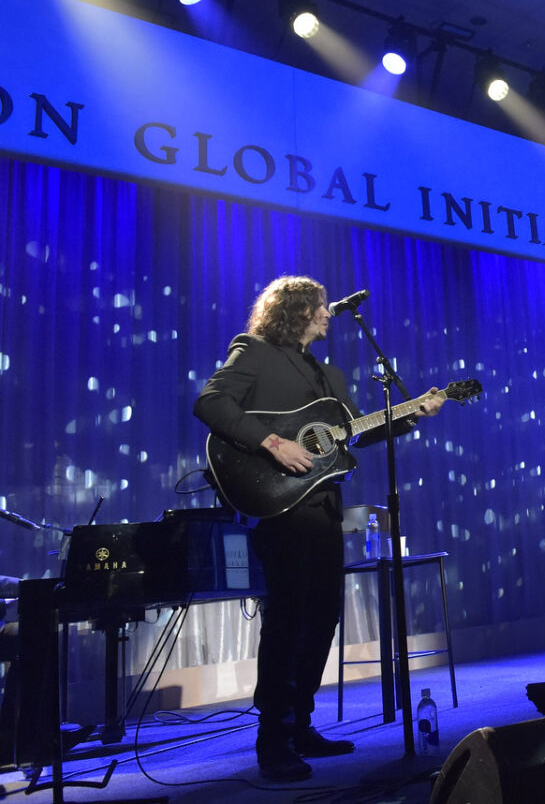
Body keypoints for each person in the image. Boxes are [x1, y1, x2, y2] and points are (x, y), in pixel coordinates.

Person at [194, 275, 443, 782]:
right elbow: (211, 404)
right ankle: (273, 739)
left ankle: (302, 725)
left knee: (324, 616)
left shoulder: (330, 376)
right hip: (280, 507)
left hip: (324, 507)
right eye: (321, 307)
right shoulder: (255, 351)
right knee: (288, 619)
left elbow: (350, 437)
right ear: (297, 310)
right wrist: (273, 443)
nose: (328, 315)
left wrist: (413, 413)